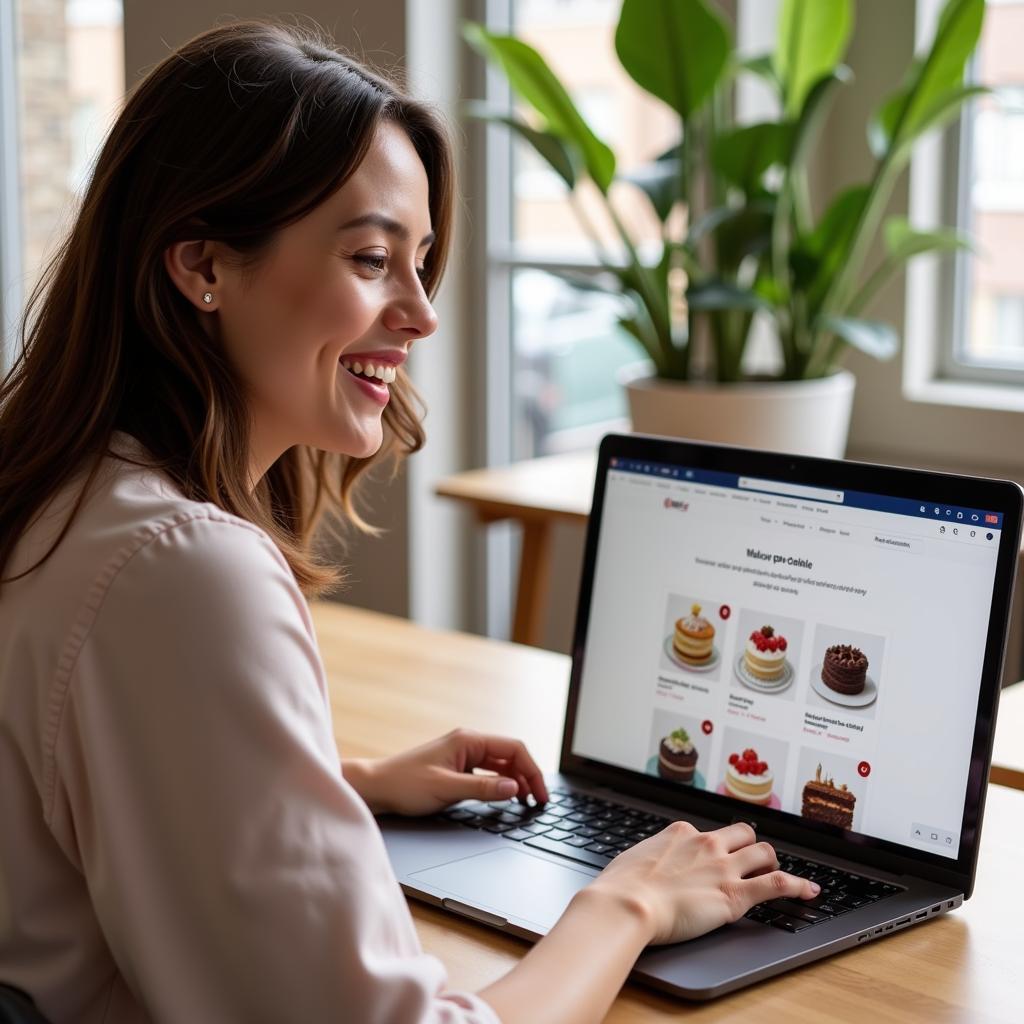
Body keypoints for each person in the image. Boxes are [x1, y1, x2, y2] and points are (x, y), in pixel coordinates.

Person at [0, 20, 819, 1024]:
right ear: (203, 266)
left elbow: (51, 780)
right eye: (370, 258)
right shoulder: (179, 568)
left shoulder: (58, 491)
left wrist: (336, 784)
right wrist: (626, 899)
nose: (421, 313)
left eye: (419, 259)